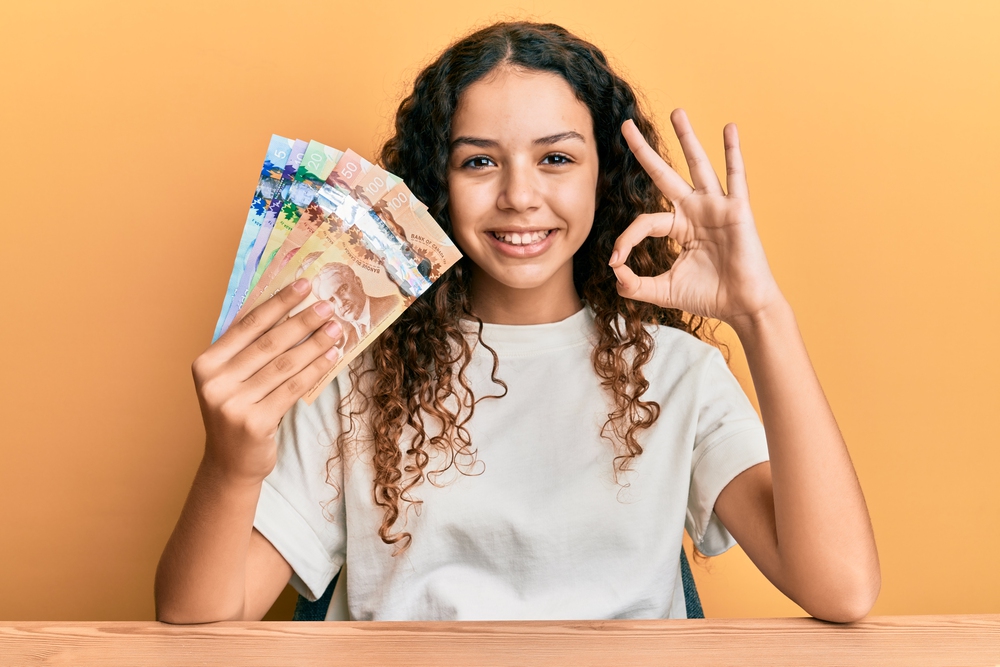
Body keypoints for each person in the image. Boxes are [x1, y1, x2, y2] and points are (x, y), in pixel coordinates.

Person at [155, 22, 880, 624]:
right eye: (479, 163)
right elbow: (201, 619)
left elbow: (842, 587)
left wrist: (760, 312)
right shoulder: (355, 372)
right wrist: (230, 463)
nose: (520, 196)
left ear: (606, 173)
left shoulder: (677, 373)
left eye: (557, 157)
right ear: (438, 182)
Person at [312, 261, 402, 348]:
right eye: (332, 300)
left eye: (342, 290)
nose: (341, 303)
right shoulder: (348, 347)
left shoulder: (395, 304)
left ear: (358, 283)